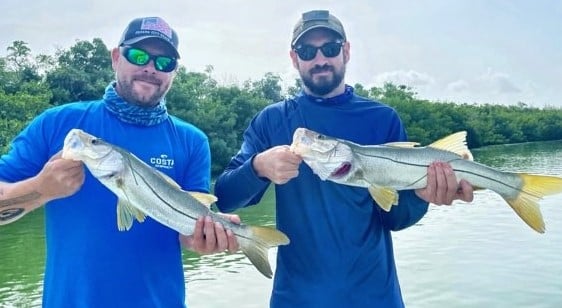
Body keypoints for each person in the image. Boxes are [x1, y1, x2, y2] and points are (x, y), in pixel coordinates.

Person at [214, 10, 474, 307]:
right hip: (296, 298)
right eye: (307, 51)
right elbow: (225, 197)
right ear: (294, 58)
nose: (320, 58)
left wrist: (422, 196)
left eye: (331, 48)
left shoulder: (381, 119)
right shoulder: (272, 121)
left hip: (375, 296)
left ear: (346, 51)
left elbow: (397, 218)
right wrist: (258, 166)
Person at [0, 16, 239, 307]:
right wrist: (42, 189)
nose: (150, 68)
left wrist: (206, 238)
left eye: (164, 63)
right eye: (138, 56)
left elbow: (187, 235)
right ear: (116, 57)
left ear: (174, 72)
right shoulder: (56, 123)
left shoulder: (192, 141)